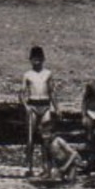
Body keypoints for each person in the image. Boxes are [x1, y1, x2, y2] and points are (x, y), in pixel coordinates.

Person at [20, 46, 58, 176]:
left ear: (43, 59)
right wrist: (26, 107)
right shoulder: (27, 75)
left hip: (45, 105)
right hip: (33, 105)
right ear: (30, 60)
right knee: (30, 138)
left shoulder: (48, 73)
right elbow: (22, 93)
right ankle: (29, 167)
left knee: (46, 139)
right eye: (34, 59)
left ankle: (46, 167)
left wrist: (56, 108)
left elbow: (52, 92)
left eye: (39, 59)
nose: (37, 62)